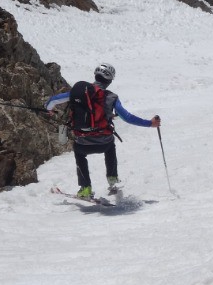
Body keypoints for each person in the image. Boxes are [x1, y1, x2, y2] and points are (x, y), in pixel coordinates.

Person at [64, 63, 160, 199]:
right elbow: (127, 117)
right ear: (109, 80)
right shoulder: (111, 97)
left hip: (83, 144)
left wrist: (48, 108)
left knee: (78, 152)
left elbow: (52, 101)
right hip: (105, 143)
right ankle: (112, 178)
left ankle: (85, 188)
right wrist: (150, 123)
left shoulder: (79, 92)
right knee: (110, 146)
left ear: (95, 75)